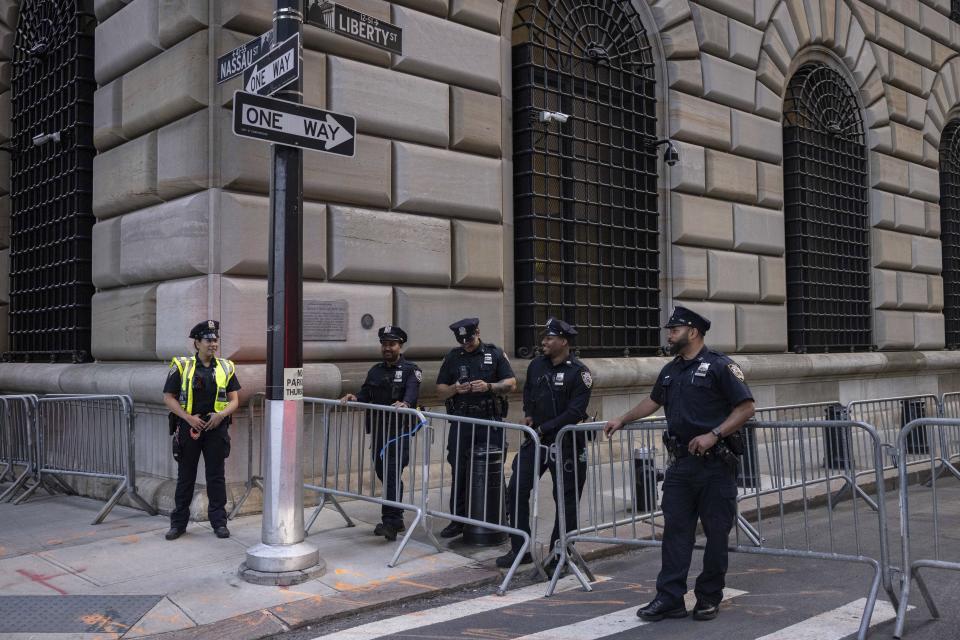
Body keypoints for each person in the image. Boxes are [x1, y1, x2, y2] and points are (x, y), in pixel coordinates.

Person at [604, 306, 755, 622]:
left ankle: (708, 597)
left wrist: (714, 434)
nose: (669, 334)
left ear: (694, 332)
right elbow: (653, 400)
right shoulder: (671, 370)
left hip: (715, 466)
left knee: (715, 534)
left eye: (674, 329)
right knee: (675, 532)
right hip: (681, 465)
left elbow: (746, 408)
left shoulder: (720, 366)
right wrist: (622, 418)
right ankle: (670, 598)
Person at [496, 318, 593, 569]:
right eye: (544, 338)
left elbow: (575, 412)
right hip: (536, 442)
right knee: (516, 489)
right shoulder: (537, 365)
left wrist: (543, 428)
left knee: (566, 500)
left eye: (549, 338)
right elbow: (529, 393)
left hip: (566, 444)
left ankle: (558, 555)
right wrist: (529, 413)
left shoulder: (579, 373)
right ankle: (520, 548)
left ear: (563, 341)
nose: (543, 342)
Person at [435, 318, 517, 539]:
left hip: (489, 420)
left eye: (469, 339)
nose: (466, 344)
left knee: (494, 470)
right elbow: (440, 390)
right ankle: (458, 520)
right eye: (462, 340)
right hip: (462, 421)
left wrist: (489, 386)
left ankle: (502, 517)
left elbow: (511, 383)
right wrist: (455, 388)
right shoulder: (453, 357)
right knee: (459, 470)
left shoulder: (495, 353)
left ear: (478, 332)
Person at [340, 325, 422, 541]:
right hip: (378, 430)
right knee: (382, 471)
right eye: (384, 344)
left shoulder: (410, 370)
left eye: (391, 344)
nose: (387, 348)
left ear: (400, 346)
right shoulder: (375, 370)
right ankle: (397, 517)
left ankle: (391, 522)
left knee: (392, 473)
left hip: (399, 431)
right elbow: (366, 392)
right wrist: (355, 398)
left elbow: (411, 396)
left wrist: (405, 403)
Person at [162, 320, 241, 540]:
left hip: (216, 427)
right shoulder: (182, 365)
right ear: (197, 343)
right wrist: (188, 418)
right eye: (208, 340)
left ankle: (219, 523)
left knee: (216, 477)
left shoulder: (226, 367)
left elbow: (235, 400)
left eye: (215, 340)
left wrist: (221, 415)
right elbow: (168, 398)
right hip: (190, 427)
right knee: (185, 477)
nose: (213, 344)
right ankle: (178, 524)